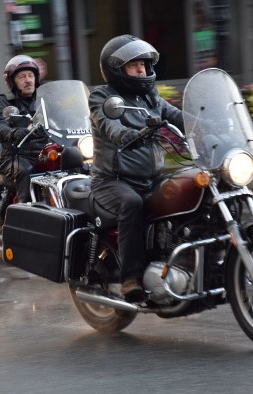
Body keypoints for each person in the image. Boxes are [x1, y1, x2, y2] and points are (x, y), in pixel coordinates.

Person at [88, 34, 185, 302]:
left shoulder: (149, 95)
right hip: (112, 182)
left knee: (188, 191)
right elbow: (109, 125)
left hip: (151, 178)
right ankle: (130, 278)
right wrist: (128, 134)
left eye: (143, 63)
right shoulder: (102, 97)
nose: (142, 69)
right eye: (134, 65)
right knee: (132, 204)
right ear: (117, 69)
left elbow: (175, 115)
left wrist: (207, 123)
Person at [0, 55, 44, 203]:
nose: (28, 80)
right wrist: (14, 132)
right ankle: (23, 214)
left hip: (44, 153)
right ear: (13, 82)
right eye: (22, 77)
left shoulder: (45, 101)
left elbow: (64, 117)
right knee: (25, 170)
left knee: (77, 161)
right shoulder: (3, 102)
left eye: (31, 75)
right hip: (15, 157)